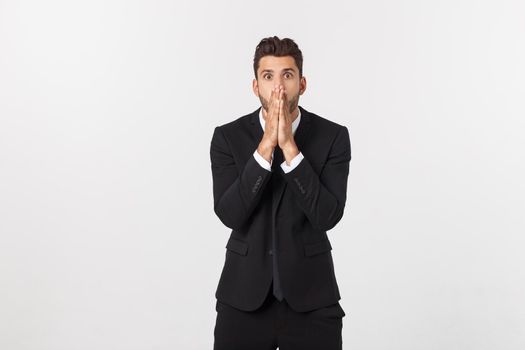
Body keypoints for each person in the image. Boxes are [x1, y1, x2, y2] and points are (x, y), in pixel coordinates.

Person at [210, 36, 351, 350]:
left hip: (313, 299)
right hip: (243, 298)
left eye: (287, 75)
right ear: (255, 85)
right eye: (268, 76)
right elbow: (230, 213)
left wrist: (289, 147)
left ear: (302, 84)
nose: (278, 87)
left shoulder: (333, 137)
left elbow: (327, 215)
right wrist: (265, 147)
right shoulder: (227, 138)